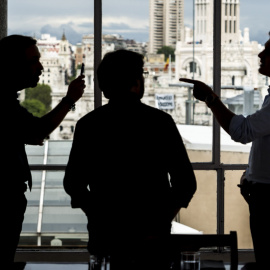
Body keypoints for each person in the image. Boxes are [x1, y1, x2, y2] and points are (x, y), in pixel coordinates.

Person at [64, 49, 197, 270]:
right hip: (152, 240)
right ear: (136, 82)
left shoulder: (89, 125)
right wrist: (160, 221)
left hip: (106, 238)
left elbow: (73, 184)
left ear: (104, 86)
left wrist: (98, 214)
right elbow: (185, 183)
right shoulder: (160, 123)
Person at [180, 38, 270, 269]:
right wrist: (250, 176)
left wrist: (211, 99)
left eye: (268, 52)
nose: (260, 55)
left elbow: (243, 131)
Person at [0, 34, 85, 269]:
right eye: (34, 61)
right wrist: (69, 99)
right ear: (13, 65)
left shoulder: (3, 98)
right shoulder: (1, 101)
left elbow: (27, 131)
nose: (40, 67)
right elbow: (38, 130)